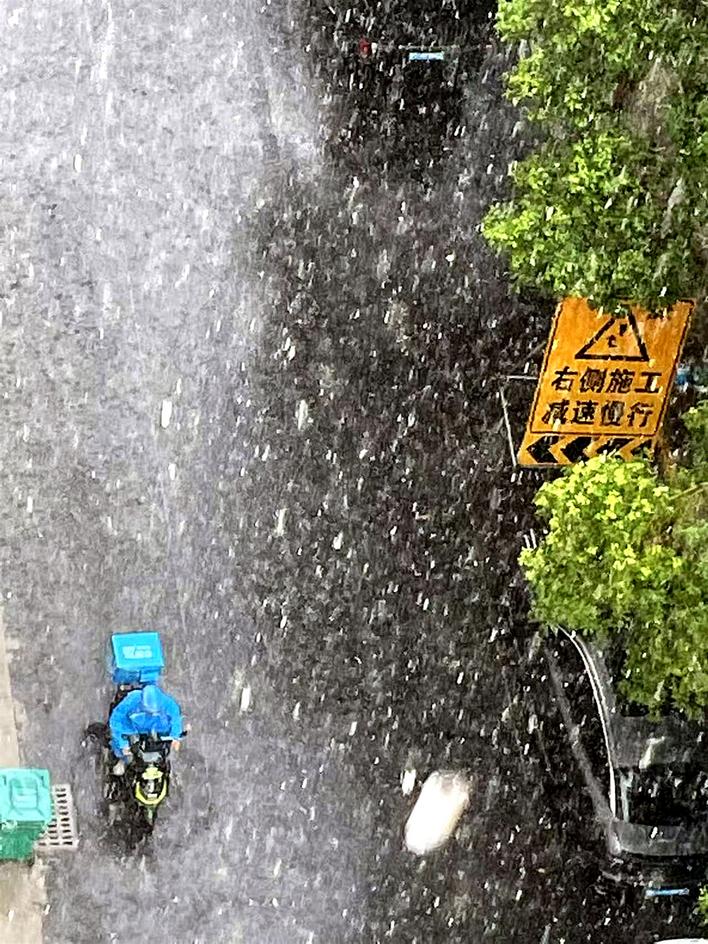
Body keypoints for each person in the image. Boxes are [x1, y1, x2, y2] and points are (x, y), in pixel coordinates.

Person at [109, 683, 183, 774]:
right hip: (133, 729)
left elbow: (176, 719)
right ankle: (120, 760)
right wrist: (122, 743)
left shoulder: (169, 704)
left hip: (157, 731)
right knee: (121, 749)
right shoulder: (132, 701)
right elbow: (117, 720)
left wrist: (175, 736)